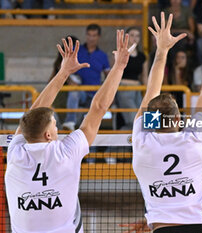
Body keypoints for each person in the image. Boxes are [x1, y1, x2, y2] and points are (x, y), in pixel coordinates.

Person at [5, 31, 132, 232]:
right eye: (55, 125)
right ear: (48, 135)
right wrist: (119, 67)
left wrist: (63, 72)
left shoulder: (15, 152)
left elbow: (34, 112)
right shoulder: (65, 152)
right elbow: (98, 107)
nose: (58, 128)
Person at [132, 12, 202, 233]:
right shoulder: (195, 137)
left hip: (163, 228)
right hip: (198, 228)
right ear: (178, 118)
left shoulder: (142, 141)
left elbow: (150, 94)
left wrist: (162, 50)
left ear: (151, 120)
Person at [63, 24, 110, 131]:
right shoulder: (76, 50)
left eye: (94, 35)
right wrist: (70, 80)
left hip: (95, 94)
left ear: (99, 37)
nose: (91, 38)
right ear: (86, 35)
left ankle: (91, 147)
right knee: (74, 91)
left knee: (89, 127)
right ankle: (70, 121)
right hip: (80, 91)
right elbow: (61, 66)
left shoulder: (102, 55)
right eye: (89, 35)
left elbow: (109, 75)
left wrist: (106, 94)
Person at [116, 27, 148, 130]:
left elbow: (144, 75)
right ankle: (119, 145)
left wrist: (147, 92)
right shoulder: (121, 53)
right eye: (132, 35)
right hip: (124, 87)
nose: (135, 38)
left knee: (142, 118)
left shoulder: (142, 56)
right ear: (127, 37)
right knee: (132, 119)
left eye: (137, 36)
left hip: (138, 88)